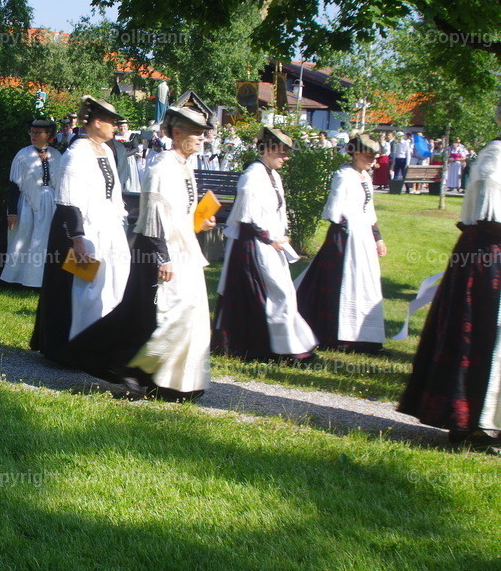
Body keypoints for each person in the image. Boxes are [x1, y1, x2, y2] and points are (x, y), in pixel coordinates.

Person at [398, 121, 501, 452]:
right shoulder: (495, 157)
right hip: (487, 257)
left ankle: (482, 422)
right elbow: (490, 218)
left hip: (486, 254)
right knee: (480, 335)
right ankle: (472, 423)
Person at [30, 96, 131, 378]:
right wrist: (78, 240)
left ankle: (100, 345)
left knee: (110, 286)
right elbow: (69, 200)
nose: (115, 126)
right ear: (97, 122)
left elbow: (113, 194)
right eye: (111, 122)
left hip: (107, 227)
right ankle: (75, 347)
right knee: (84, 289)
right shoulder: (77, 153)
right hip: (81, 231)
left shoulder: (107, 150)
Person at [121, 105, 217, 400]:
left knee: (192, 315)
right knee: (173, 314)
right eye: (196, 133)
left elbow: (179, 212)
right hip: (166, 252)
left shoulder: (183, 165)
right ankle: (149, 375)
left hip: (185, 249)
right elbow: (153, 216)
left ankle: (182, 381)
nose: (201, 138)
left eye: (203, 133)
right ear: (177, 133)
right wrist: (163, 258)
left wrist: (200, 220)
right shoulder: (162, 166)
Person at [212, 127, 319, 363]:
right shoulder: (252, 176)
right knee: (275, 293)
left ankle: (285, 346)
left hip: (270, 243)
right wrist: (270, 238)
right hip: (253, 246)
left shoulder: (272, 175)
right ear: (268, 150)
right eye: (282, 152)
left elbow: (276, 211)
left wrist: (281, 235)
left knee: (283, 292)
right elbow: (247, 217)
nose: (286, 158)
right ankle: (272, 347)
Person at [295, 133, 388, 355]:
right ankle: (333, 335)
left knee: (364, 285)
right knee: (339, 284)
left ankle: (364, 337)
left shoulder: (364, 177)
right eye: (369, 156)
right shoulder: (344, 176)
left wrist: (377, 238)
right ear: (355, 154)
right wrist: (348, 233)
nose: (373, 160)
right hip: (344, 237)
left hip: (362, 237)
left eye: (375, 156)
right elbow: (335, 212)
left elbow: (369, 211)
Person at [0, 118, 61, 288]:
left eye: (38, 132)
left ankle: (40, 280)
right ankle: (18, 278)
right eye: (32, 132)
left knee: (44, 240)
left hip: (50, 204)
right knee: (23, 238)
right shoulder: (23, 155)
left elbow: (61, 184)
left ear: (48, 134)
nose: (33, 135)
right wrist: (12, 212)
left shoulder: (56, 155)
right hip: (27, 203)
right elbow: (14, 185)